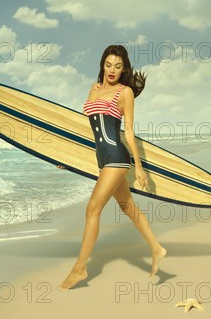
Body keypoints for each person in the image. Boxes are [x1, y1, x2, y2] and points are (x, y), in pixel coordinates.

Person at [57, 45, 166, 290]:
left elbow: (129, 131)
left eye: (118, 66)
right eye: (108, 64)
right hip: (102, 158)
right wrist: (69, 157)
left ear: (124, 68)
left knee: (92, 209)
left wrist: (138, 167)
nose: (112, 70)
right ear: (102, 64)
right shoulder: (94, 89)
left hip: (117, 157)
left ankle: (79, 269)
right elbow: (88, 132)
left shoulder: (125, 92)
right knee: (127, 206)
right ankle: (157, 249)